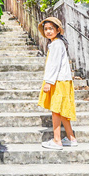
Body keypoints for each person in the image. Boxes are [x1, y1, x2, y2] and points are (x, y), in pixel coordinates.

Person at [37, 17, 77, 149]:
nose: (48, 31)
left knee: (56, 110)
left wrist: (48, 82)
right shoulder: (58, 43)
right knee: (62, 110)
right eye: (46, 29)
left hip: (58, 81)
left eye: (51, 29)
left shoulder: (56, 44)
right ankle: (71, 138)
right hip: (63, 80)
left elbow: (54, 65)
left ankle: (57, 140)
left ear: (58, 30)